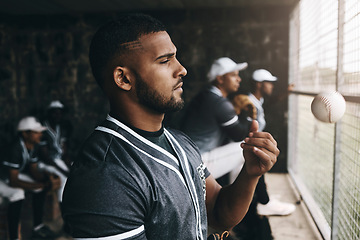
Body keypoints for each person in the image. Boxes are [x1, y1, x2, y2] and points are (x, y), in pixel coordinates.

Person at [61, 13, 279, 240]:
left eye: (176, 57)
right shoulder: (104, 175)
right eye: (165, 60)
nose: (182, 69)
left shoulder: (180, 141)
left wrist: (250, 174)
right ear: (124, 79)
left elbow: (218, 213)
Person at [181, 57, 256, 182]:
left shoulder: (205, 95)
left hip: (187, 158)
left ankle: (231, 194)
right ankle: (236, 199)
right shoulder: (219, 103)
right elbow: (239, 135)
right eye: (233, 75)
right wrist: (247, 114)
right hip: (198, 164)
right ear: (220, 79)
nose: (239, 79)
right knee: (249, 148)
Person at [245, 69, 296, 216]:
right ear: (260, 85)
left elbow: (271, 101)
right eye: (269, 83)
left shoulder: (257, 100)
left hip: (250, 145)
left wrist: (286, 92)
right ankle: (264, 203)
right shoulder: (248, 104)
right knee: (259, 163)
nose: (272, 86)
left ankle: (264, 200)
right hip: (243, 146)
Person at [0, 116, 61, 240]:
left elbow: (34, 170)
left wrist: (47, 179)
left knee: (38, 188)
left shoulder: (32, 145)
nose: (40, 134)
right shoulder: (15, 147)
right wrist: (41, 185)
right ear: (25, 133)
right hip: (3, 177)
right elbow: (13, 181)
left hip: (13, 175)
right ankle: (14, 237)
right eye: (36, 132)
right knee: (17, 193)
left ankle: (37, 227)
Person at [38, 100, 72, 204]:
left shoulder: (60, 128)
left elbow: (64, 153)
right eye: (55, 113)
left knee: (78, 170)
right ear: (49, 113)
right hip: (45, 163)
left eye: (60, 113)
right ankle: (63, 209)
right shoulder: (42, 130)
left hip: (58, 161)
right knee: (64, 180)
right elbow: (45, 157)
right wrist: (64, 171)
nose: (58, 116)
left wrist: (71, 168)